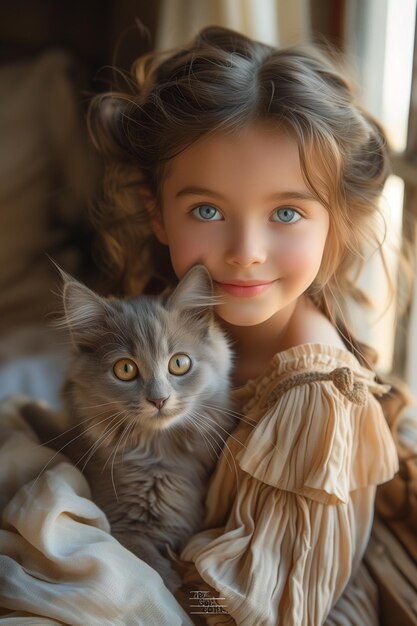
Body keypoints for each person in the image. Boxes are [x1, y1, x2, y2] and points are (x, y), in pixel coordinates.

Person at [0, 25, 409, 626]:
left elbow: (252, 609)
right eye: (208, 210)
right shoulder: (195, 319)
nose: (245, 251)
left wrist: (148, 586)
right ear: (156, 213)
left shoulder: (315, 404)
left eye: (287, 212)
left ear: (337, 222)